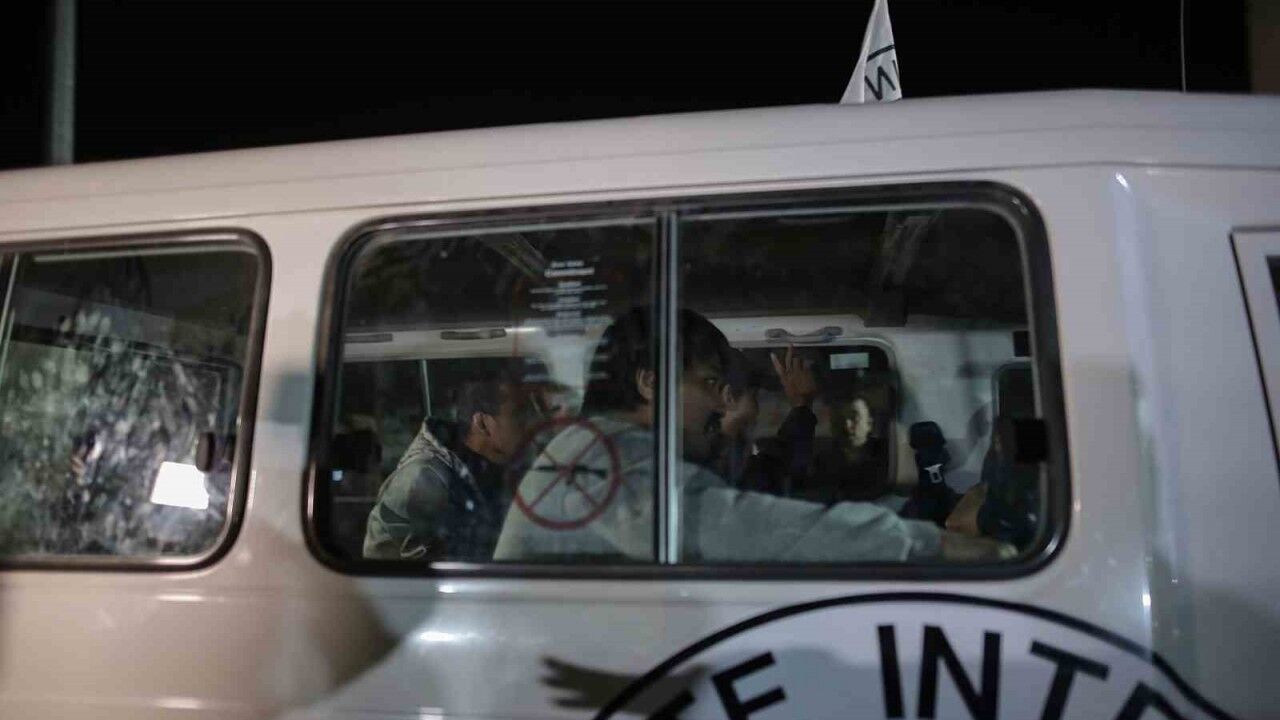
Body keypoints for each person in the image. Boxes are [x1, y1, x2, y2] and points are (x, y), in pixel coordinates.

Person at [493, 307, 1010, 563]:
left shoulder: (596, 449)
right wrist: (928, 545)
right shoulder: (603, 458)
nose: (721, 404)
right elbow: (735, 526)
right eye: (709, 384)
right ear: (650, 383)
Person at [363, 368, 536, 561]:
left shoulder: (501, 468)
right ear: (482, 423)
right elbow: (416, 572)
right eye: (519, 415)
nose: (531, 423)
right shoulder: (425, 480)